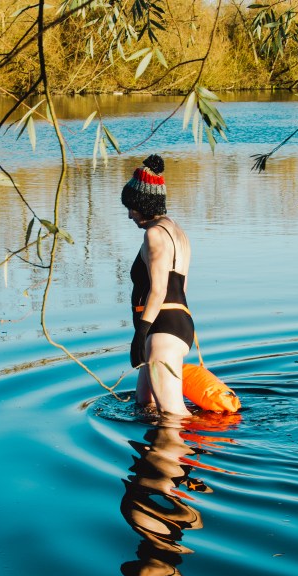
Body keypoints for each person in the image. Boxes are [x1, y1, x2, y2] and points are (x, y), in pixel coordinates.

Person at [123, 154, 194, 415]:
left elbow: (158, 290)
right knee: (145, 403)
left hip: (162, 329)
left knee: (172, 415)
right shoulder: (176, 230)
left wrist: (140, 335)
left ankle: (210, 447)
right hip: (178, 323)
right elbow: (180, 288)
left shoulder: (153, 234)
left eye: (132, 206)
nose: (130, 214)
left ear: (144, 203)